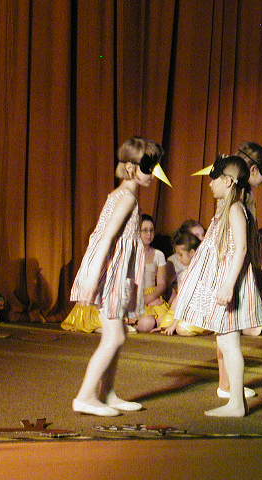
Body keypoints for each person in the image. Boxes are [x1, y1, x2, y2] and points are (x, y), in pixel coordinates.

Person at [70, 137, 168, 416]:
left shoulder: (124, 196)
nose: (153, 174)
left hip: (116, 273)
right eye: (148, 167)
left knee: (119, 334)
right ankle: (85, 396)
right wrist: (92, 276)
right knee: (114, 337)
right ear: (131, 167)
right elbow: (106, 238)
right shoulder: (126, 198)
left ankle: (107, 393)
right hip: (112, 274)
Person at [174, 155, 262, 417]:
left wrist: (227, 285)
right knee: (226, 342)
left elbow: (241, 249)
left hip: (231, 284)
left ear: (227, 181)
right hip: (225, 281)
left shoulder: (236, 209)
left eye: (214, 179)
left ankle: (237, 402)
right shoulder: (225, 209)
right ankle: (235, 399)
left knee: (229, 343)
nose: (210, 183)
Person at [156, 231, 210, 336]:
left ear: (192, 253)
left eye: (181, 255)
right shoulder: (186, 272)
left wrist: (174, 324)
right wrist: (167, 321)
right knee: (165, 323)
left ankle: (208, 328)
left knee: (182, 328)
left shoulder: (201, 272)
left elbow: (186, 299)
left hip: (200, 312)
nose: (179, 258)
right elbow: (179, 298)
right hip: (185, 310)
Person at [128, 214, 169, 333]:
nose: (149, 234)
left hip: (152, 296)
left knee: (165, 321)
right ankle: (131, 323)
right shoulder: (130, 254)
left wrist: (150, 298)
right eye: (145, 230)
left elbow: (162, 284)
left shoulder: (159, 255)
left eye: (151, 230)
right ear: (137, 232)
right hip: (134, 298)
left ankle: (143, 323)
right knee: (147, 323)